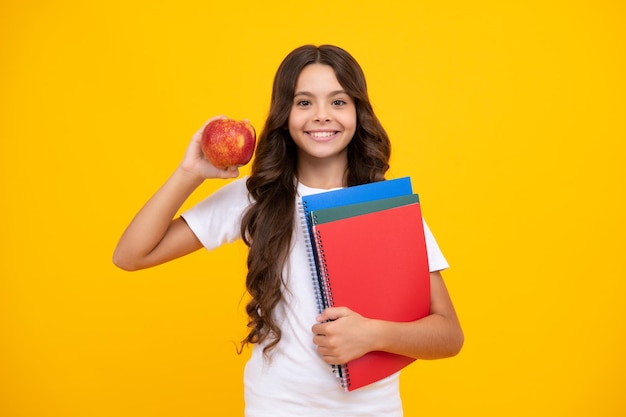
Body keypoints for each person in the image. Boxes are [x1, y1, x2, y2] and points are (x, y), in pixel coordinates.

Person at [113, 44, 463, 417]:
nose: (322, 116)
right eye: (304, 102)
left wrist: (372, 335)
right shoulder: (255, 197)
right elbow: (131, 255)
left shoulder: (385, 207)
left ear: (359, 112)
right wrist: (189, 174)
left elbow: (448, 336)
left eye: (339, 102)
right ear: (284, 114)